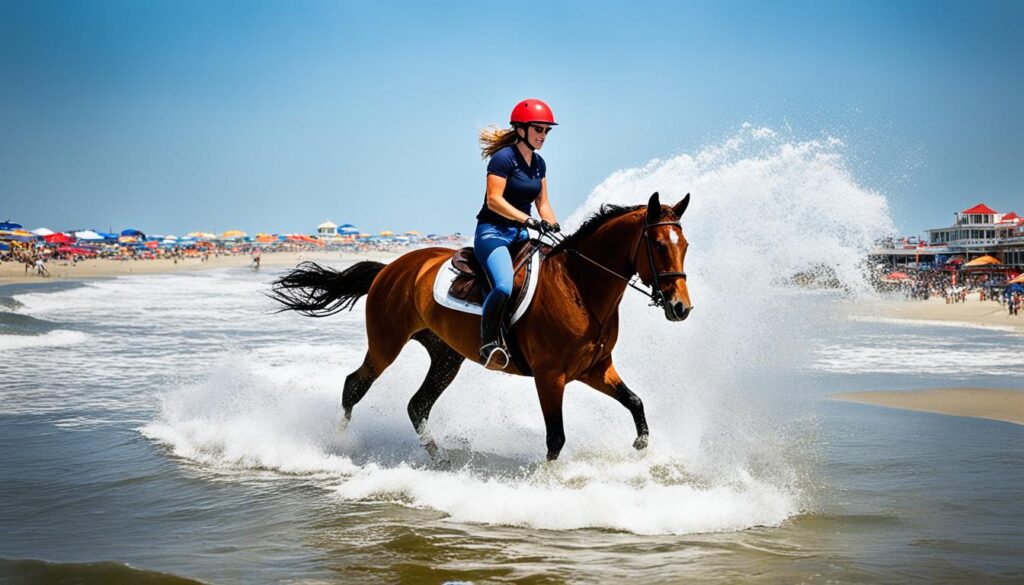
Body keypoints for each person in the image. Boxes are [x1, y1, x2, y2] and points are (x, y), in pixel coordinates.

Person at [474, 98, 561, 369]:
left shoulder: (539, 164)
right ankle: (488, 343)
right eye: (538, 129)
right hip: (493, 234)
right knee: (503, 285)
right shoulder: (503, 159)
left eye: (547, 131)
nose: (543, 135)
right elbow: (494, 200)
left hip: (522, 234)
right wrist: (529, 221)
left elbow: (542, 203)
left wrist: (556, 230)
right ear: (521, 129)